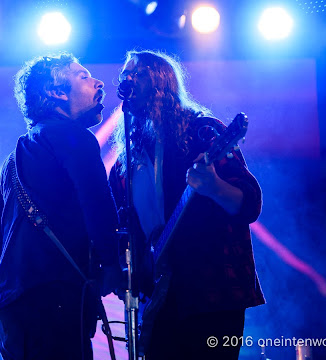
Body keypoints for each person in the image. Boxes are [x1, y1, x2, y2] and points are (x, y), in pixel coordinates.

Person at [109, 50, 265, 359]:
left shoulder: (202, 131)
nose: (127, 80)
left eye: (136, 74)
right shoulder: (129, 153)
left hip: (212, 290)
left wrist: (214, 186)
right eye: (123, 76)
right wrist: (129, 269)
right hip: (160, 293)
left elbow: (249, 204)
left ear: (160, 81)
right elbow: (123, 225)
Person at [0, 52, 120, 360]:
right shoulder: (74, 137)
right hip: (53, 299)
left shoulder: (15, 159)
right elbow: (97, 203)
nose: (98, 82)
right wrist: (111, 265)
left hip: (9, 306)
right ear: (57, 92)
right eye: (83, 76)